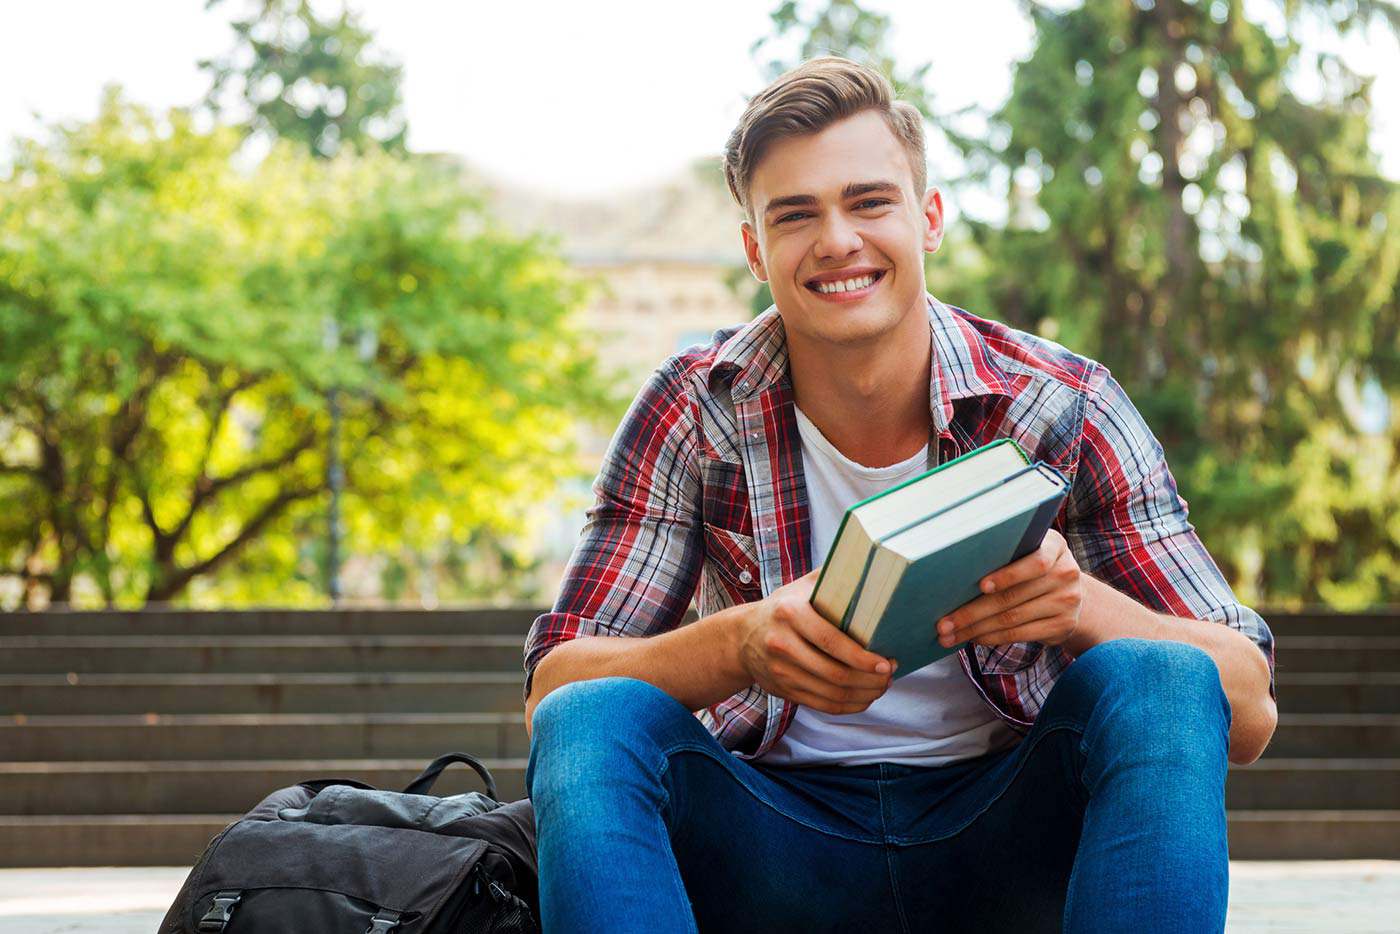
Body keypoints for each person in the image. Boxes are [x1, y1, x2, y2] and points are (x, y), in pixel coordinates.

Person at [522, 57, 1277, 934]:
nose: (837, 239)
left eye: (869, 201)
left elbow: (1247, 706)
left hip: (1010, 840)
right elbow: (554, 697)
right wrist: (738, 645)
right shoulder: (695, 407)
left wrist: (1078, 607)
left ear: (929, 219)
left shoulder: (1062, 402)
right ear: (754, 250)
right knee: (593, 718)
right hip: (771, 841)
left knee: (1158, 674)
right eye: (795, 215)